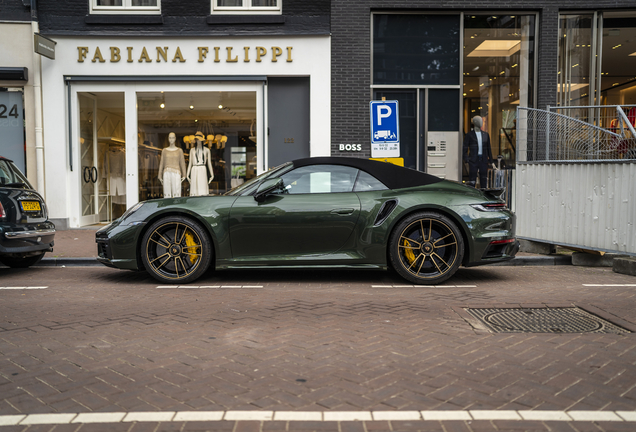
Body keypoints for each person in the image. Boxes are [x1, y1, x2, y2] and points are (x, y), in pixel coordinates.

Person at [463, 115, 494, 188]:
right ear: (475, 122)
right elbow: (464, 148)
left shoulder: (486, 135)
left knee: (484, 180)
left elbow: (488, 148)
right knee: (472, 180)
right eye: (479, 120)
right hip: (473, 160)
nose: (481, 122)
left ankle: (483, 195)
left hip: (483, 160)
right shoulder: (469, 135)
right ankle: (473, 195)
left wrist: (492, 161)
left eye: (481, 120)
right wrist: (467, 160)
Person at [157, 132, 186, 198]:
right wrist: (160, 175)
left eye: (172, 138)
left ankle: (176, 206)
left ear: (175, 138)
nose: (171, 139)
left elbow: (182, 162)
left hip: (176, 173)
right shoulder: (164, 150)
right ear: (168, 139)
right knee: (167, 193)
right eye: (170, 138)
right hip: (166, 172)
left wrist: (184, 175)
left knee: (176, 192)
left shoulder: (179, 150)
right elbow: (162, 163)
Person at [187, 131, 214, 196]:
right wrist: (187, 175)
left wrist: (212, 174)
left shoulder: (207, 150)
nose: (198, 141)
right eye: (197, 139)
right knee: (194, 189)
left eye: (199, 139)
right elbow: (190, 163)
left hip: (202, 169)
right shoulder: (192, 150)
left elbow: (209, 163)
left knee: (202, 188)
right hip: (194, 169)